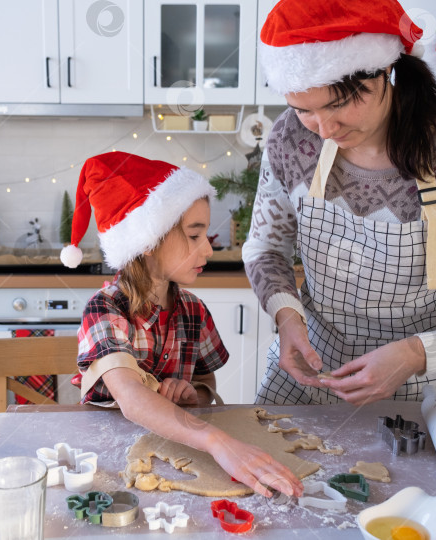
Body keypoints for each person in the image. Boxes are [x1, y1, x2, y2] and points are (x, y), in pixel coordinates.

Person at [243, 0, 436, 406]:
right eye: (304, 109)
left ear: (385, 70)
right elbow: (265, 248)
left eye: (339, 104)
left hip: (426, 390)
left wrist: (415, 354)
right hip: (310, 377)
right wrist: (286, 317)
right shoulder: (291, 138)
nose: (324, 128)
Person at [60, 152, 303, 498]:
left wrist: (195, 393)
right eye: (194, 236)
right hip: (110, 467)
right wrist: (217, 441)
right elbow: (130, 398)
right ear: (148, 241)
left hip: (178, 459)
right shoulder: (105, 309)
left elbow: (205, 380)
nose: (208, 249)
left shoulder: (193, 310)